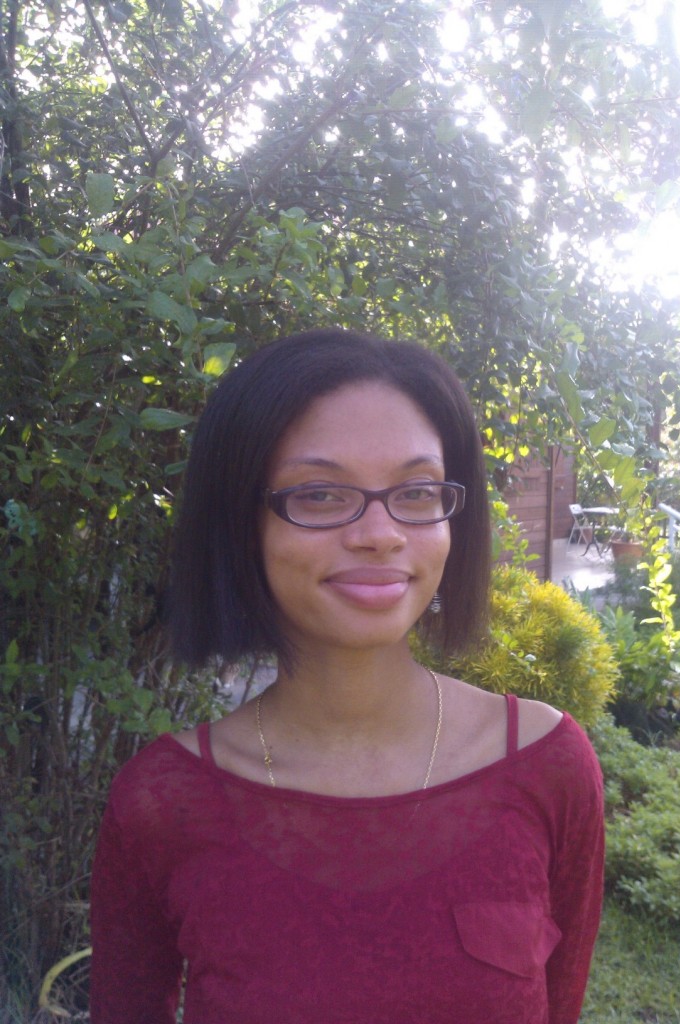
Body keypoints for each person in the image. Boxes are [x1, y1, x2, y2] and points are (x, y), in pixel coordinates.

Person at [90, 328, 604, 1024]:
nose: (380, 534)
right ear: (241, 524)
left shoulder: (546, 765)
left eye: (416, 492)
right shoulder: (162, 803)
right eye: (321, 495)